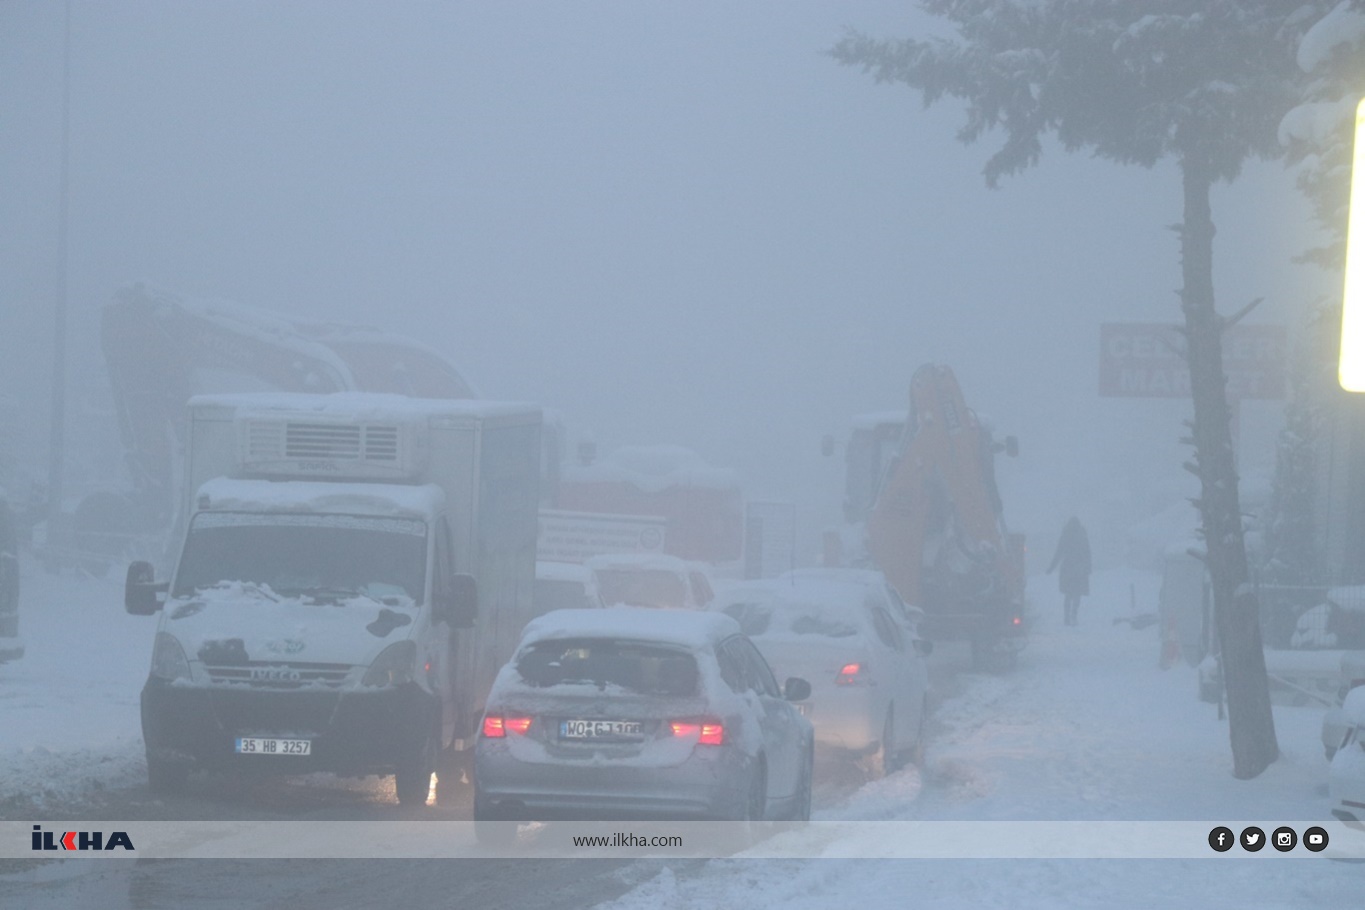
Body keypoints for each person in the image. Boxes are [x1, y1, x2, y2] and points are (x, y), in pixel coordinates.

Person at [1047, 516, 1091, 626]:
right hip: (1080, 569)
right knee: (1077, 594)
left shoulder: (1066, 535)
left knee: (1068, 594)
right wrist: (1088, 568)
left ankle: (1067, 617)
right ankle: (1073, 616)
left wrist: (1051, 568)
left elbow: (1059, 553)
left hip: (1067, 569)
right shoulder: (1082, 535)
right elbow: (1088, 553)